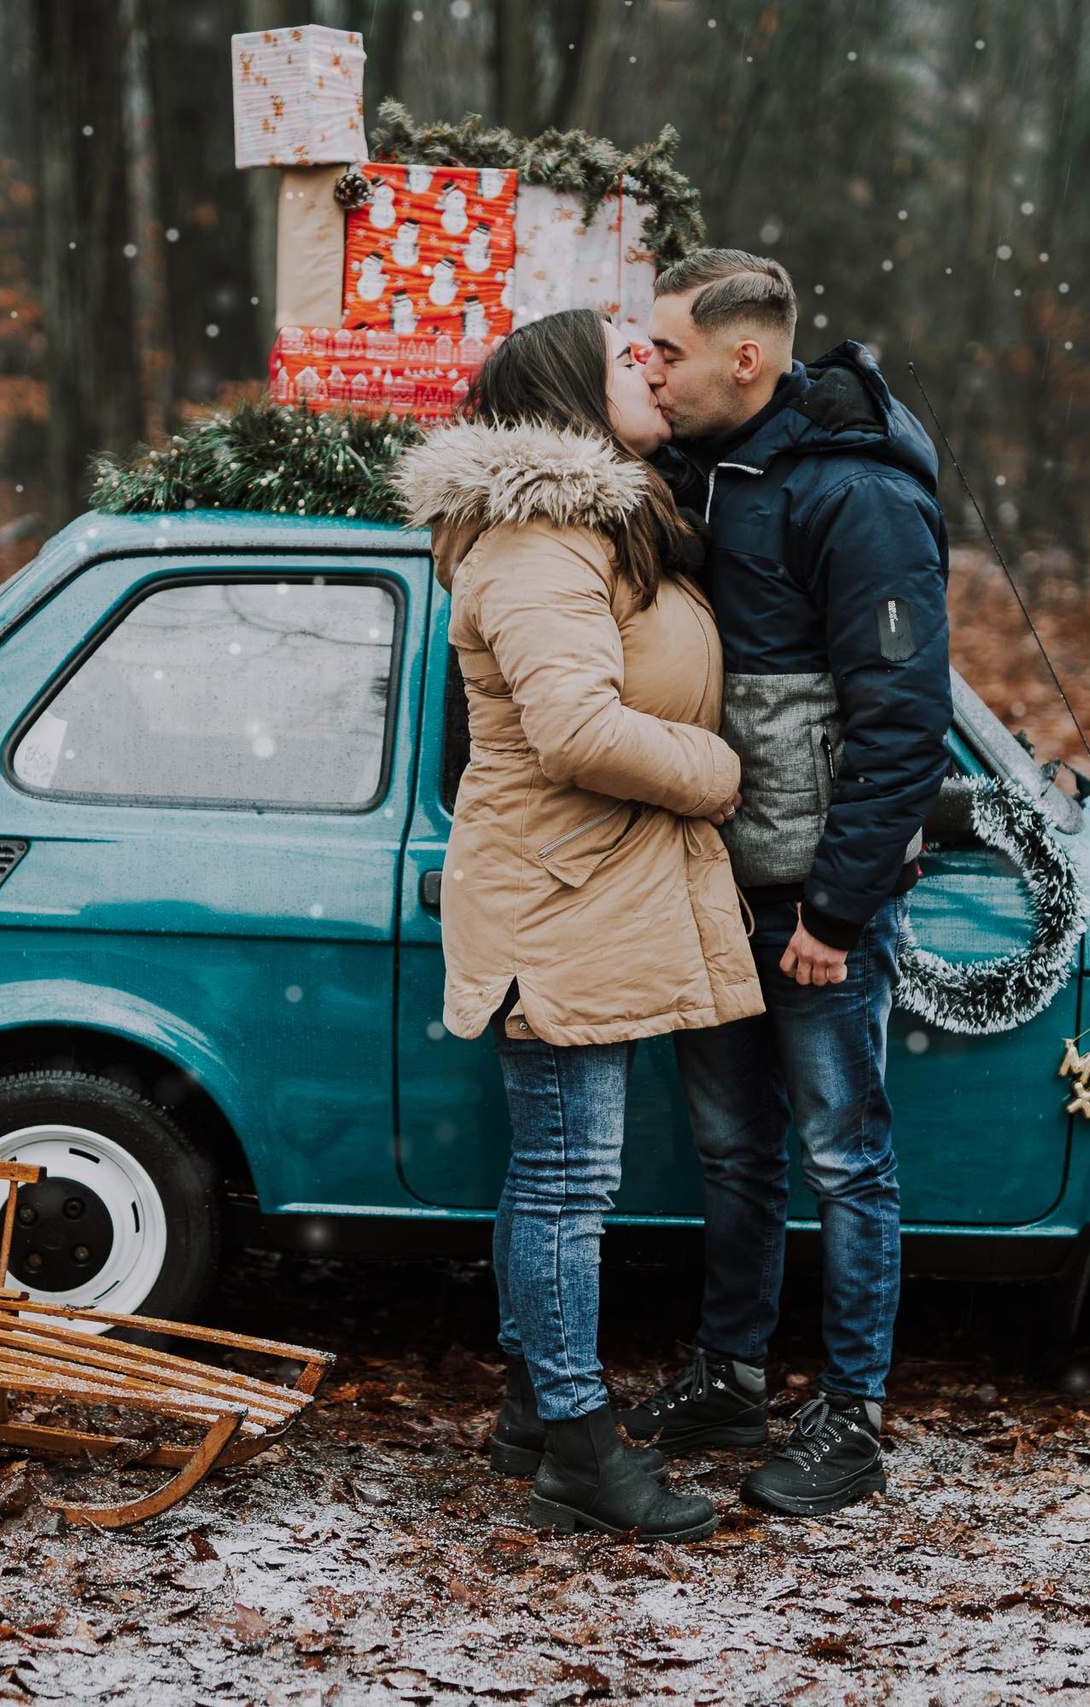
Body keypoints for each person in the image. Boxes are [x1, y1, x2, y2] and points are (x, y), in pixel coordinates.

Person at [393, 308, 762, 1542]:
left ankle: (529, 1410)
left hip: (581, 886)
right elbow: (577, 733)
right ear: (567, 394)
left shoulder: (592, 524)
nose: (653, 366)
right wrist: (720, 773)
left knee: (554, 1174)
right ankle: (580, 1450)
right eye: (628, 358)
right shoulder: (537, 539)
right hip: (555, 896)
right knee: (567, 1180)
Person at [625, 249, 953, 1517]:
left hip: (810, 906)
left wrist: (837, 908)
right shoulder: (702, 469)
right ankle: (729, 1375)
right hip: (710, 885)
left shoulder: (856, 497)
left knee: (843, 1157)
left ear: (745, 358)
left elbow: (898, 719)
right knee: (730, 1152)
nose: (652, 367)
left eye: (669, 350)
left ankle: (853, 1416)